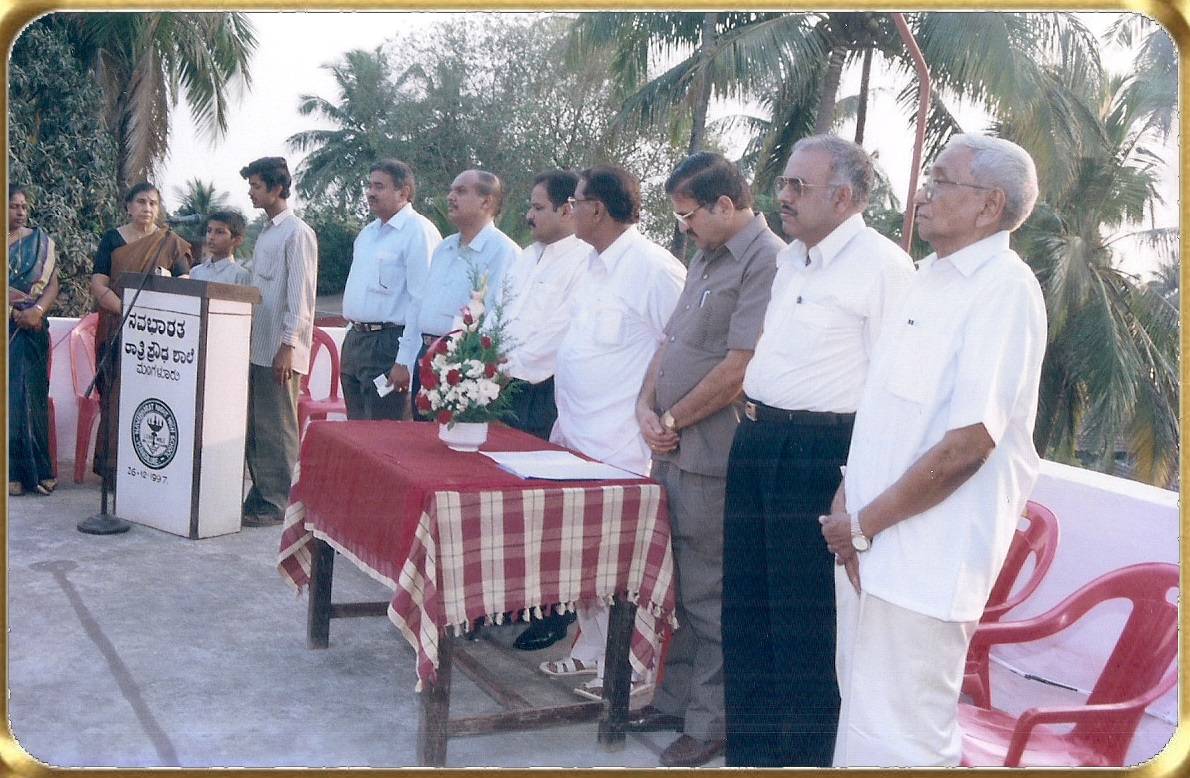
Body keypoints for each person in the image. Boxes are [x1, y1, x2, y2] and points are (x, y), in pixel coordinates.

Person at [820, 134, 1046, 767]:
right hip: (869, 547)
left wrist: (863, 524)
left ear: (989, 205)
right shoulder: (924, 279)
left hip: (926, 559)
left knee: (907, 737)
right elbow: (886, 417)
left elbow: (969, 446)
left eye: (942, 181)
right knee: (863, 721)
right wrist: (849, 509)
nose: (923, 193)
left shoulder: (1005, 289)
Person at [720, 135, 914, 767]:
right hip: (758, 442)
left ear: (845, 197)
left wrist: (852, 482)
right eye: (784, 182)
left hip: (819, 455)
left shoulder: (883, 268)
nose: (784, 196)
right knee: (747, 609)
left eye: (799, 186)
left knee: (804, 626)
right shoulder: (793, 260)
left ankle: (801, 759)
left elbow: (892, 391)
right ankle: (751, 758)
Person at [628, 153, 783, 767]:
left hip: (710, 455)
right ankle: (674, 700)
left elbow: (742, 366)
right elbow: (671, 342)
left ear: (724, 204)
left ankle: (710, 721)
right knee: (677, 586)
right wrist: (645, 406)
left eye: (689, 215)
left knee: (710, 594)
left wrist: (673, 420)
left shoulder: (766, 261)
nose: (684, 227)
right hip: (671, 447)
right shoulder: (704, 257)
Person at [541, 165, 685, 704]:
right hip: (576, 437)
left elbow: (681, 344)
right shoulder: (591, 263)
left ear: (597, 209)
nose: (569, 210)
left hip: (622, 447)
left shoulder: (653, 268)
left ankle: (628, 667)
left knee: (619, 563)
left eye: (575, 202)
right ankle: (592, 646)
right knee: (581, 557)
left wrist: (655, 412)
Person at [503, 169, 591, 652]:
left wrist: (503, 371)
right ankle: (508, 599)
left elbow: (559, 334)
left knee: (544, 506)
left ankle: (554, 611)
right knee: (505, 502)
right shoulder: (524, 258)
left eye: (538, 207)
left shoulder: (583, 262)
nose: (529, 215)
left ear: (567, 209)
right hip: (502, 389)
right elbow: (497, 315)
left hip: (543, 392)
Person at [90, 182, 193, 489]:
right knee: (115, 397)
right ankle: (113, 468)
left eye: (152, 203)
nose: (147, 208)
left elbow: (184, 283)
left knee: (150, 398)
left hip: (156, 337)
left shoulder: (169, 242)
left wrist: (154, 311)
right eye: (141, 202)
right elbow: (98, 284)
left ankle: (146, 467)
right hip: (117, 327)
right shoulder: (112, 239)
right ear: (128, 206)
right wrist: (126, 311)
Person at [397, 169, 518, 412]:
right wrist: (406, 359)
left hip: (463, 365)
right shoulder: (444, 248)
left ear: (486, 201)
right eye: (451, 190)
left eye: (461, 191)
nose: (450, 197)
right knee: (418, 432)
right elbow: (420, 304)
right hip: (426, 356)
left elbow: (499, 318)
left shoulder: (504, 252)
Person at [239, 157, 318, 527]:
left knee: (278, 426)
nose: (251, 193)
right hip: (259, 344)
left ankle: (280, 503)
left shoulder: (297, 233)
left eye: (256, 186)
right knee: (259, 426)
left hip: (280, 349)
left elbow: (300, 296)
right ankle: (262, 493)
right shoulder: (267, 233)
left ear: (276, 188)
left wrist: (288, 346)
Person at [340, 159, 441, 420]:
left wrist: (404, 361)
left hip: (388, 345)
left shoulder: (418, 231)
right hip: (356, 342)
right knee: (354, 431)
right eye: (370, 186)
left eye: (379, 186)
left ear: (403, 192)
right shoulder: (367, 234)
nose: (370, 193)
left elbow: (421, 300)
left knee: (384, 429)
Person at [8, 186, 60, 496]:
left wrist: (36, 311)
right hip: (10, 326)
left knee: (34, 398)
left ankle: (40, 470)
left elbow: (52, 284)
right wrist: (14, 312)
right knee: (11, 398)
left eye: (24, 206)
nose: (20, 212)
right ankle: (11, 472)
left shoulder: (40, 242)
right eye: (13, 206)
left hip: (34, 327)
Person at [189, 210, 251, 285]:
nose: (211, 237)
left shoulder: (240, 275)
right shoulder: (196, 272)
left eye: (220, 232)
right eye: (209, 231)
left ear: (237, 240)